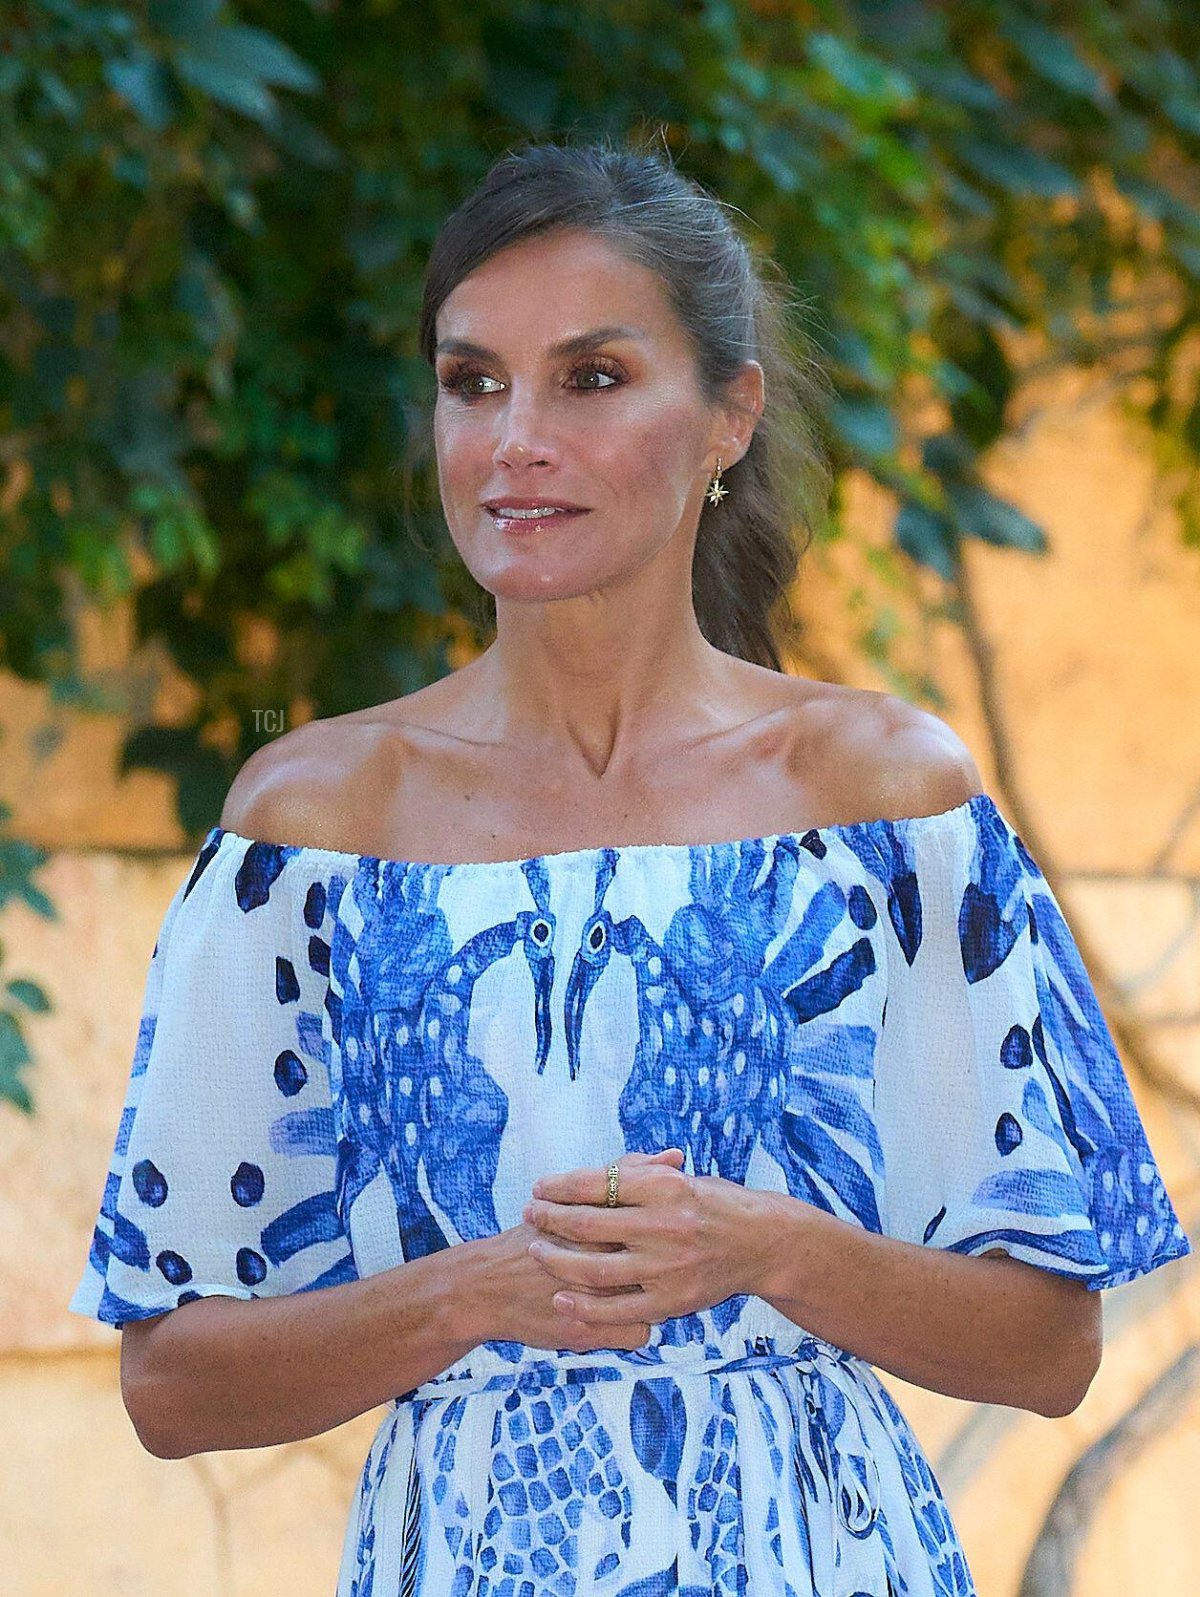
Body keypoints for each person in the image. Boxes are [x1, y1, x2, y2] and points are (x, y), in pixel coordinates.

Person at [69, 136, 1192, 1597]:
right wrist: (473, 1292)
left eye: (590, 378)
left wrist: (765, 1246)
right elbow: (171, 1379)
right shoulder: (310, 826)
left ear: (730, 415)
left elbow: (1053, 1344)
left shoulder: (888, 802)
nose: (513, 438)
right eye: (473, 382)